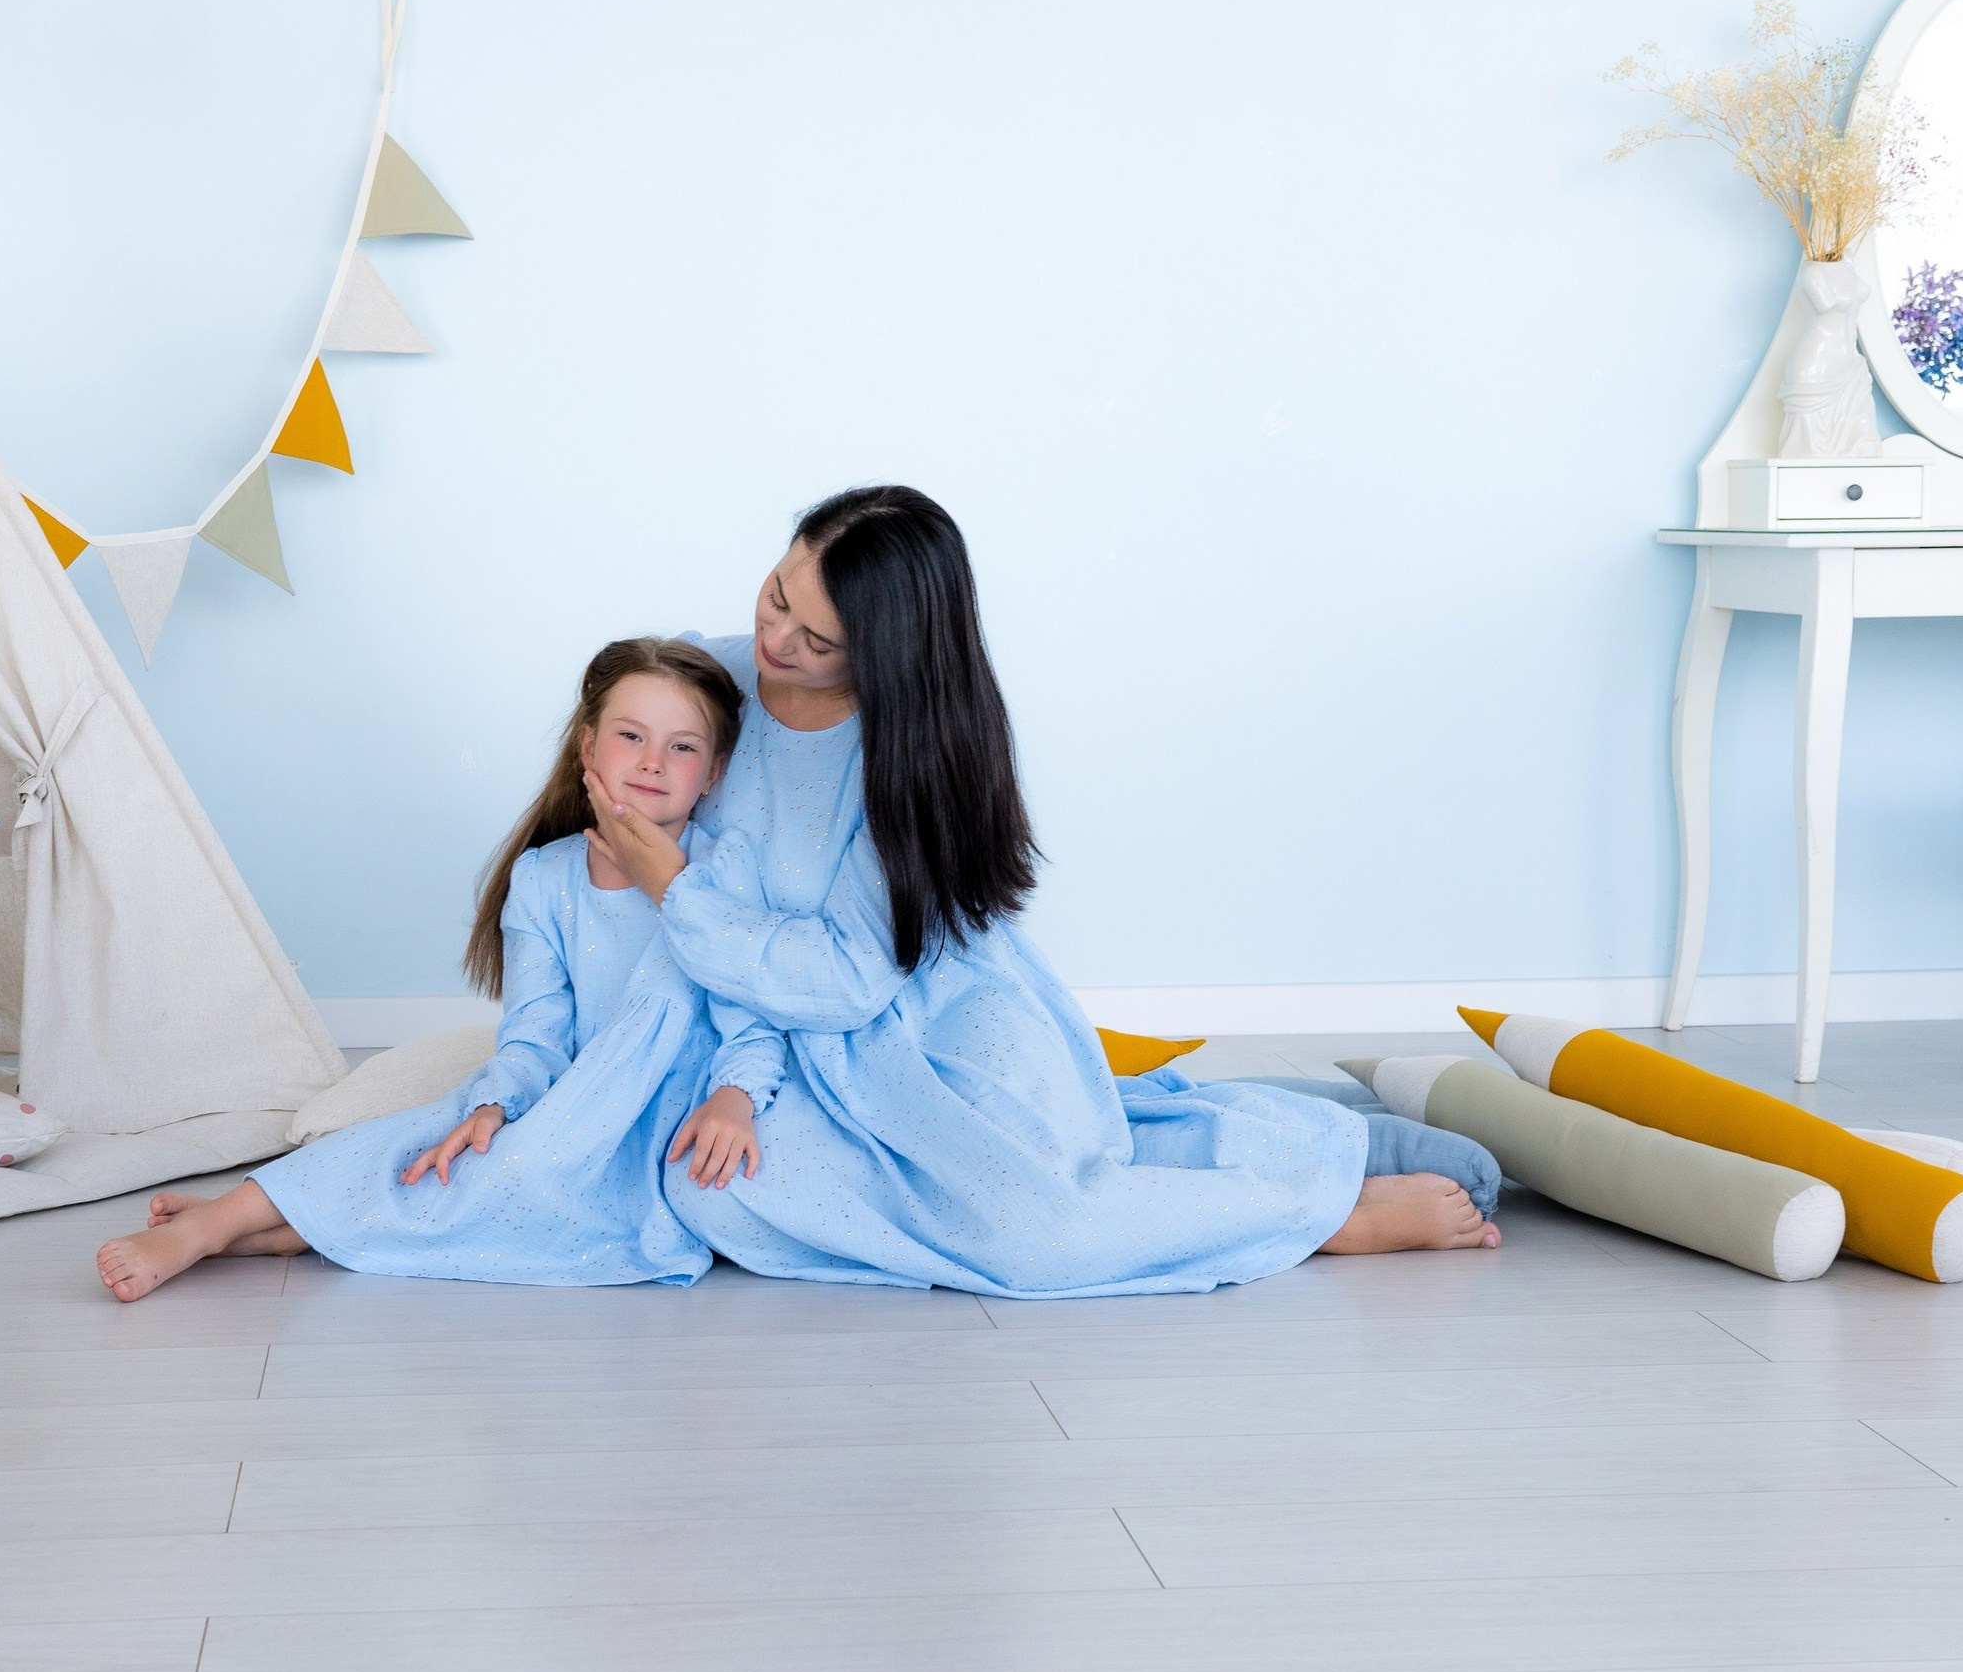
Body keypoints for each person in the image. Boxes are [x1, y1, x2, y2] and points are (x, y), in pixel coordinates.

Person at [578, 485, 1502, 1297]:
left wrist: (681, 890)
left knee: (1034, 1223)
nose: (777, 639)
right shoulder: (698, 685)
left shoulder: (900, 753)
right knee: (725, 1192)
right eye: (778, 594)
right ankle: (1305, 1148)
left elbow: (851, 981)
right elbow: (592, 836)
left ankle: (1315, 1210)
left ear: (887, 655)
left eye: (819, 640)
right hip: (752, 1033)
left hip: (915, 1022)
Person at [95, 638, 777, 1302]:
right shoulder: (544, 878)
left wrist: (735, 1098)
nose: (653, 762)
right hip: (558, 1091)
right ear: (589, 746)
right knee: (421, 1141)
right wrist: (495, 1101)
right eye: (631, 736)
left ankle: (284, 1232)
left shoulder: (724, 868)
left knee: (521, 1176)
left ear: (714, 771)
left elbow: (753, 1003)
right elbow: (536, 1029)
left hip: (662, 1109)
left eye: (682, 746)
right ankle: (218, 1224)